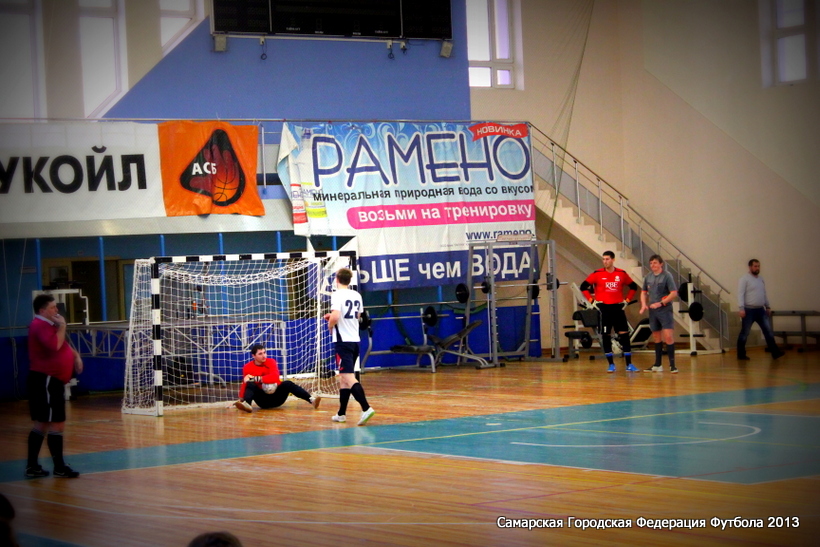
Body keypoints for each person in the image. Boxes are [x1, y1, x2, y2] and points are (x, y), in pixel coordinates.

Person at [26, 294, 83, 478]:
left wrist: (75, 356)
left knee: (42, 423)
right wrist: (63, 326)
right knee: (55, 423)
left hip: (51, 381)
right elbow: (54, 346)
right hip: (47, 381)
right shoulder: (39, 325)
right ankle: (58, 467)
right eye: (52, 307)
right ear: (42, 310)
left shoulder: (48, 325)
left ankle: (33, 467)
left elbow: (63, 344)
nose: (57, 310)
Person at [323, 267, 375, 426]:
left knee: (347, 377)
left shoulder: (337, 295)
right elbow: (357, 316)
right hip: (354, 340)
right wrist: (334, 317)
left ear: (337, 279)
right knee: (343, 379)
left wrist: (330, 324)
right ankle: (341, 413)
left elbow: (336, 316)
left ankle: (366, 408)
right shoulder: (356, 295)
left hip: (343, 341)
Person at [580, 250, 640, 373]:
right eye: (603, 259)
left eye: (607, 259)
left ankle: (629, 364)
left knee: (624, 335)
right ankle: (611, 364)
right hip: (604, 309)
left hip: (618, 308)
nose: (605, 261)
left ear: (613, 260)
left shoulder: (621, 273)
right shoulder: (597, 274)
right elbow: (583, 287)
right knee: (606, 335)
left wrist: (627, 300)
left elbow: (633, 287)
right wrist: (592, 301)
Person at [234, 344, 321, 412]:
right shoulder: (247, 367)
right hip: (262, 400)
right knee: (250, 383)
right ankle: (247, 405)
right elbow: (245, 383)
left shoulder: (271, 362)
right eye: (260, 354)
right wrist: (241, 399)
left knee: (287, 383)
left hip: (277, 398)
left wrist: (256, 378)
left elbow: (275, 377)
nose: (264, 356)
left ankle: (311, 400)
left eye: (264, 352)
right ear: (253, 356)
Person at [737, 259, 783, 360]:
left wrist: (768, 306)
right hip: (748, 310)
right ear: (750, 267)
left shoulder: (761, 279)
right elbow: (740, 294)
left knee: (768, 331)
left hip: (760, 310)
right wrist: (741, 308)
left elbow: (763, 293)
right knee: (745, 333)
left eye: (758, 266)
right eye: (755, 266)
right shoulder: (744, 279)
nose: (757, 268)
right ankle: (741, 354)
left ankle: (775, 352)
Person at [639, 255, 679, 373]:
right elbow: (643, 292)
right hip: (653, 311)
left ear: (661, 264)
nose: (653, 265)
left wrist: (661, 303)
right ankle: (657, 364)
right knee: (656, 336)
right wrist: (643, 304)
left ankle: (672, 365)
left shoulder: (667, 276)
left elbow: (673, 293)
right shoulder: (648, 277)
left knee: (668, 336)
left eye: (655, 263)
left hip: (665, 309)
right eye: (651, 263)